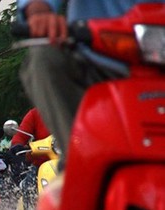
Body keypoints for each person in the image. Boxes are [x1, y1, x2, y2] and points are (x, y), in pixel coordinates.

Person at [17, 0, 147, 167]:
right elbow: (18, 140)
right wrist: (39, 10)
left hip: (156, 67)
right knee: (44, 57)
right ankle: (80, 161)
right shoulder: (33, 116)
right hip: (94, 62)